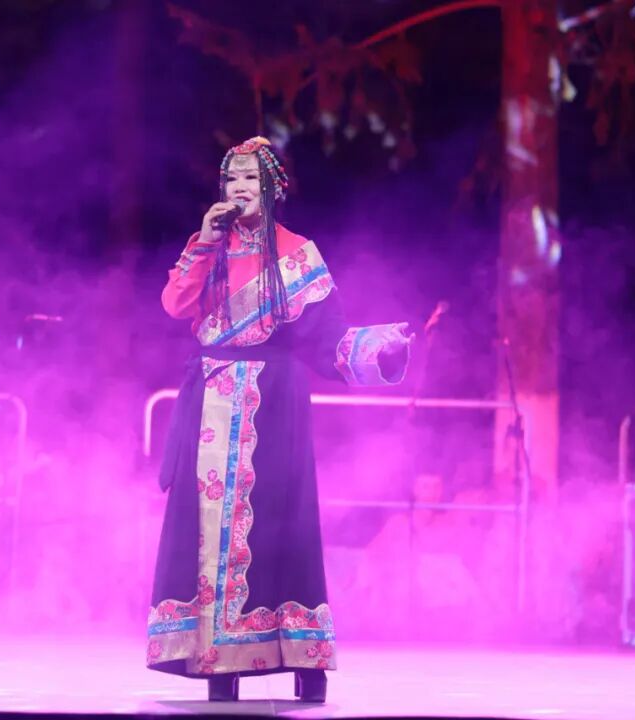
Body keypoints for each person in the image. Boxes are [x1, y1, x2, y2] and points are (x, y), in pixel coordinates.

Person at [146, 137, 413, 703]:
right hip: (210, 401)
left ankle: (300, 657)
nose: (240, 188)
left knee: (281, 528)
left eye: (251, 179)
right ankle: (214, 657)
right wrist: (204, 241)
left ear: (271, 189)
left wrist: (378, 347)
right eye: (232, 179)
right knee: (205, 534)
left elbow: (327, 341)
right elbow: (174, 305)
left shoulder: (298, 256)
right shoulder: (208, 247)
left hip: (274, 406)